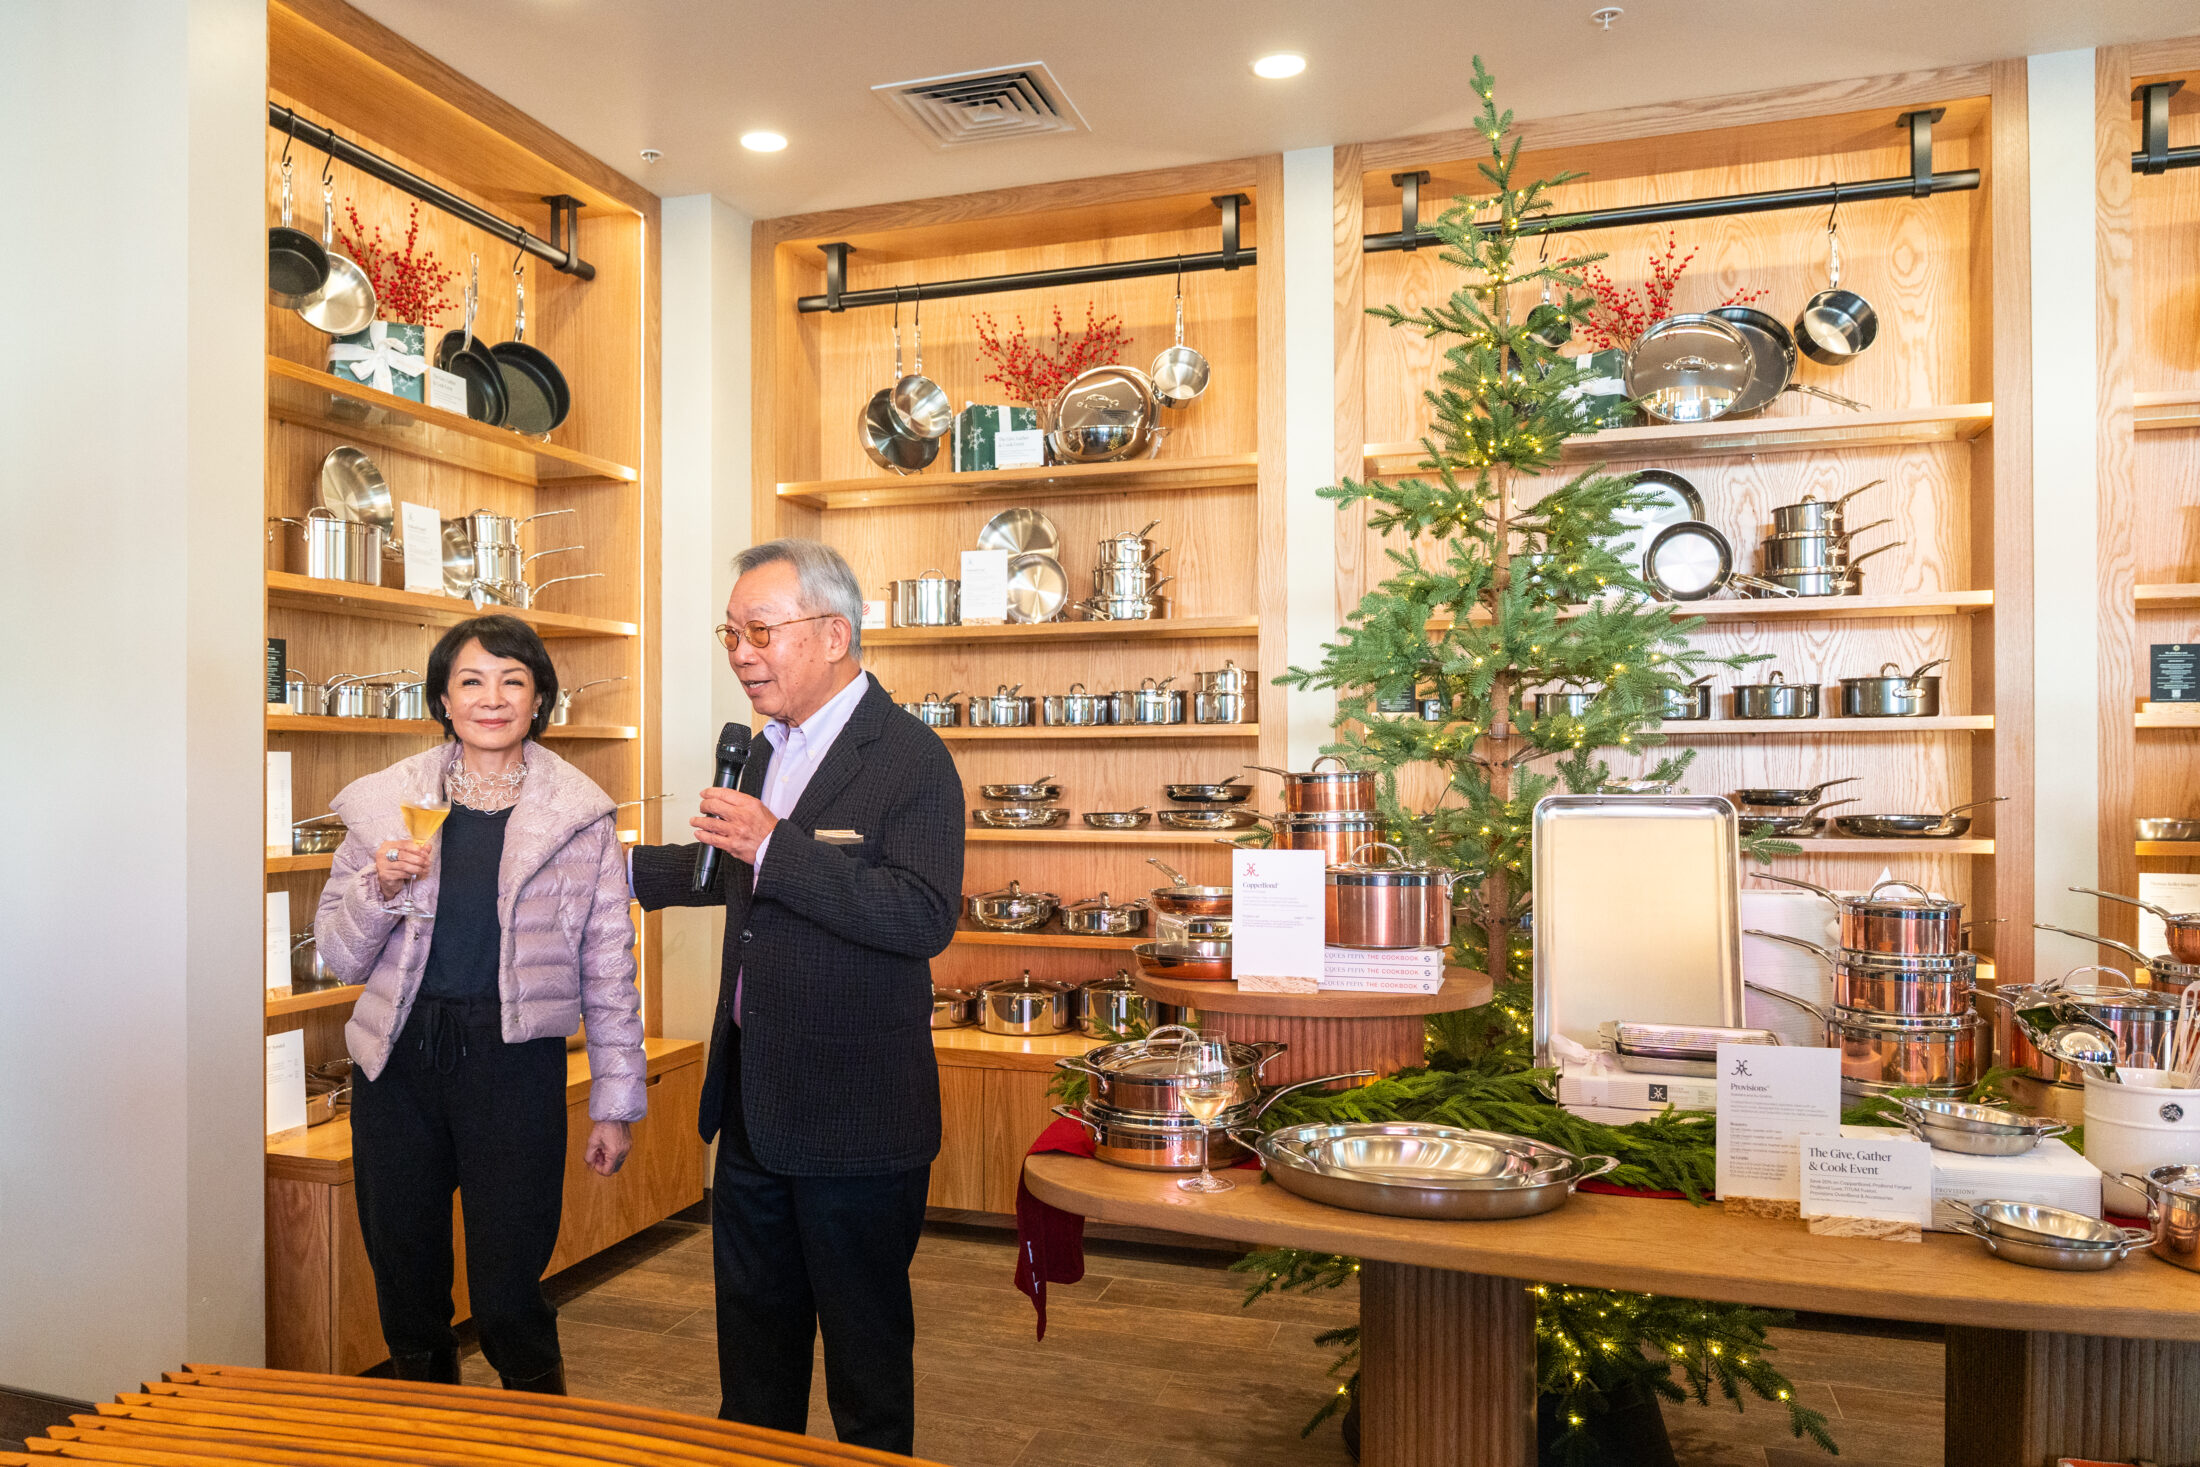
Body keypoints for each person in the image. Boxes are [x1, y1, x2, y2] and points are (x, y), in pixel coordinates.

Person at [630, 538, 963, 1455]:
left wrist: (777, 844)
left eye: (761, 630)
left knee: (865, 1374)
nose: (741, 652)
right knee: (753, 1367)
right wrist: (612, 870)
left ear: (834, 634)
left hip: (856, 1118)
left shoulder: (911, 756)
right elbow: (728, 869)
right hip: (752, 1107)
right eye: (731, 633)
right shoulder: (761, 749)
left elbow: (922, 913)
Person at [314, 614, 646, 1393]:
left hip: (513, 1063)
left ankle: (535, 1431)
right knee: (406, 1282)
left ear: (539, 699)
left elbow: (609, 968)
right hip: (398, 1061)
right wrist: (379, 885)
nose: (491, 698)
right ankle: (429, 1429)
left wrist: (615, 1103)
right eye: (471, 680)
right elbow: (338, 951)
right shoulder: (386, 805)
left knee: (508, 1290)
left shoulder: (579, 817)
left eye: (512, 681)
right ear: (443, 698)